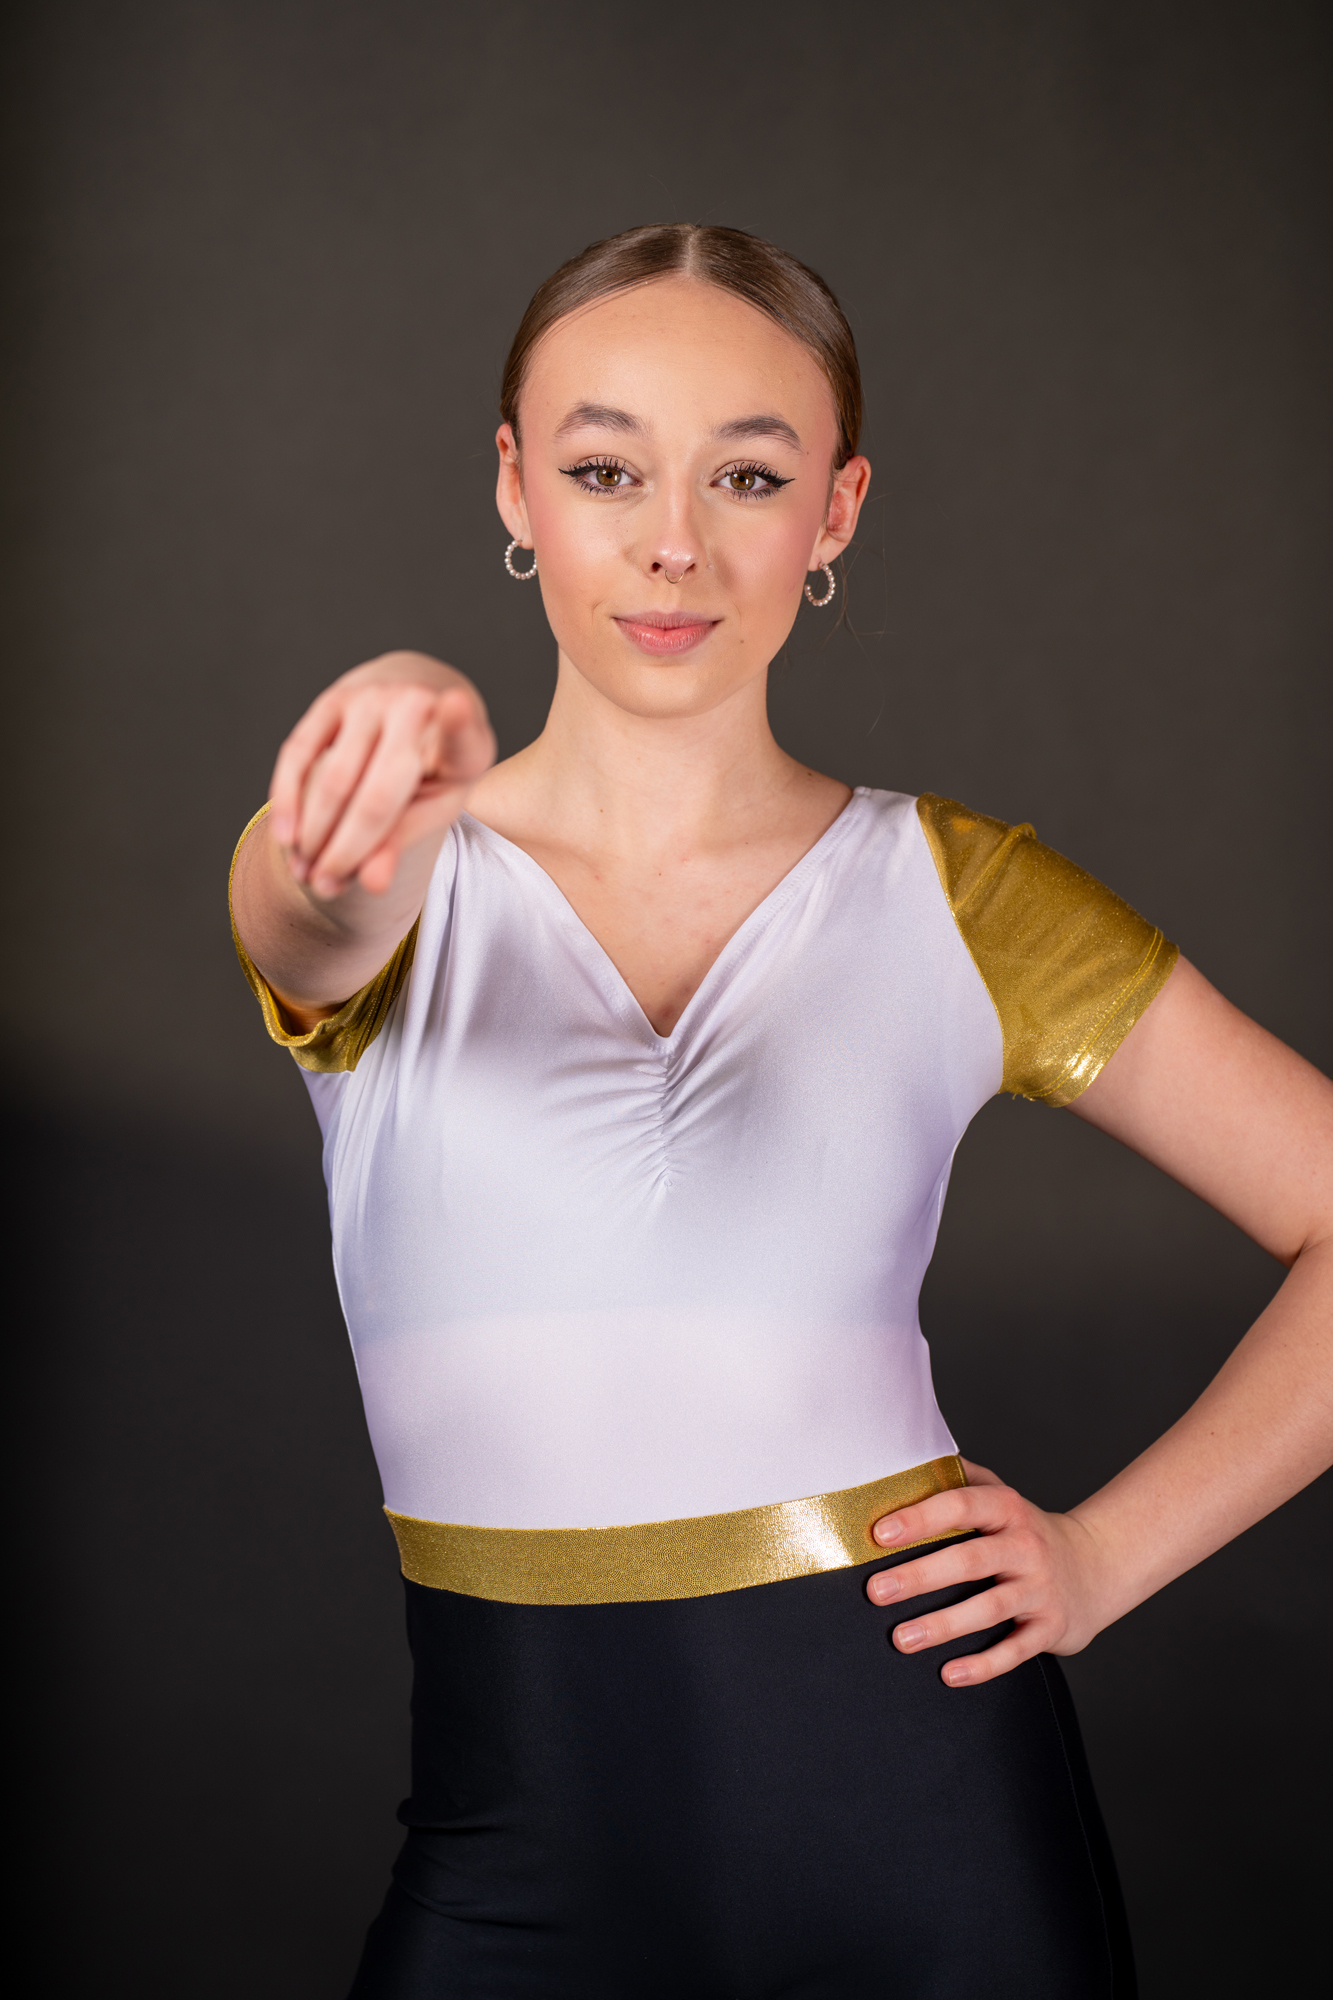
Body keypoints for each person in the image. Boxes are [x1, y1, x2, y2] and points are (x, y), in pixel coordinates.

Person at [229, 224, 1333, 1999]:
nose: (672, 541)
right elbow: (306, 909)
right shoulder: (388, 874)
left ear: (836, 511)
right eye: (605, 470)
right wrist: (371, 757)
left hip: (928, 1837)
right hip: (508, 1859)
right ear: (513, 487)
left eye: (746, 475)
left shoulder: (960, 897)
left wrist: (1101, 1558)